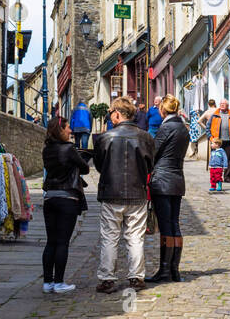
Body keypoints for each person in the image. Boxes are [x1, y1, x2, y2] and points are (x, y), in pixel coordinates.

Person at [92, 94, 155, 294]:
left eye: (111, 113)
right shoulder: (145, 137)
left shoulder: (105, 138)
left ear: (117, 114)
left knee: (110, 236)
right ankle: (136, 277)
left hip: (112, 192)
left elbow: (100, 165)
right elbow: (149, 165)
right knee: (135, 236)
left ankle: (107, 278)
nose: (110, 117)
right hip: (137, 192)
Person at [41, 116, 90, 294]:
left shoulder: (47, 149)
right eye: (67, 128)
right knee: (62, 242)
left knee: (51, 242)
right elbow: (85, 168)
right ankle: (59, 282)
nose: (70, 131)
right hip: (67, 198)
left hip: (50, 198)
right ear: (60, 130)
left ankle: (47, 282)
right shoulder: (69, 149)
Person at [147, 94, 191, 282]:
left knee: (165, 225)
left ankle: (165, 270)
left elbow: (152, 152)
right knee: (174, 224)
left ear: (162, 110)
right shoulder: (183, 128)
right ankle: (174, 269)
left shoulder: (166, 128)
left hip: (163, 180)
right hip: (177, 179)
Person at [208, 100, 230, 181]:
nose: (222, 105)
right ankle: (216, 177)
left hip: (229, 141)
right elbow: (208, 127)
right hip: (217, 142)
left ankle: (227, 177)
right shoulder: (215, 115)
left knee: (229, 159)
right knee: (216, 159)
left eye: (224, 104)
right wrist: (211, 138)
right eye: (221, 104)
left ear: (227, 105)